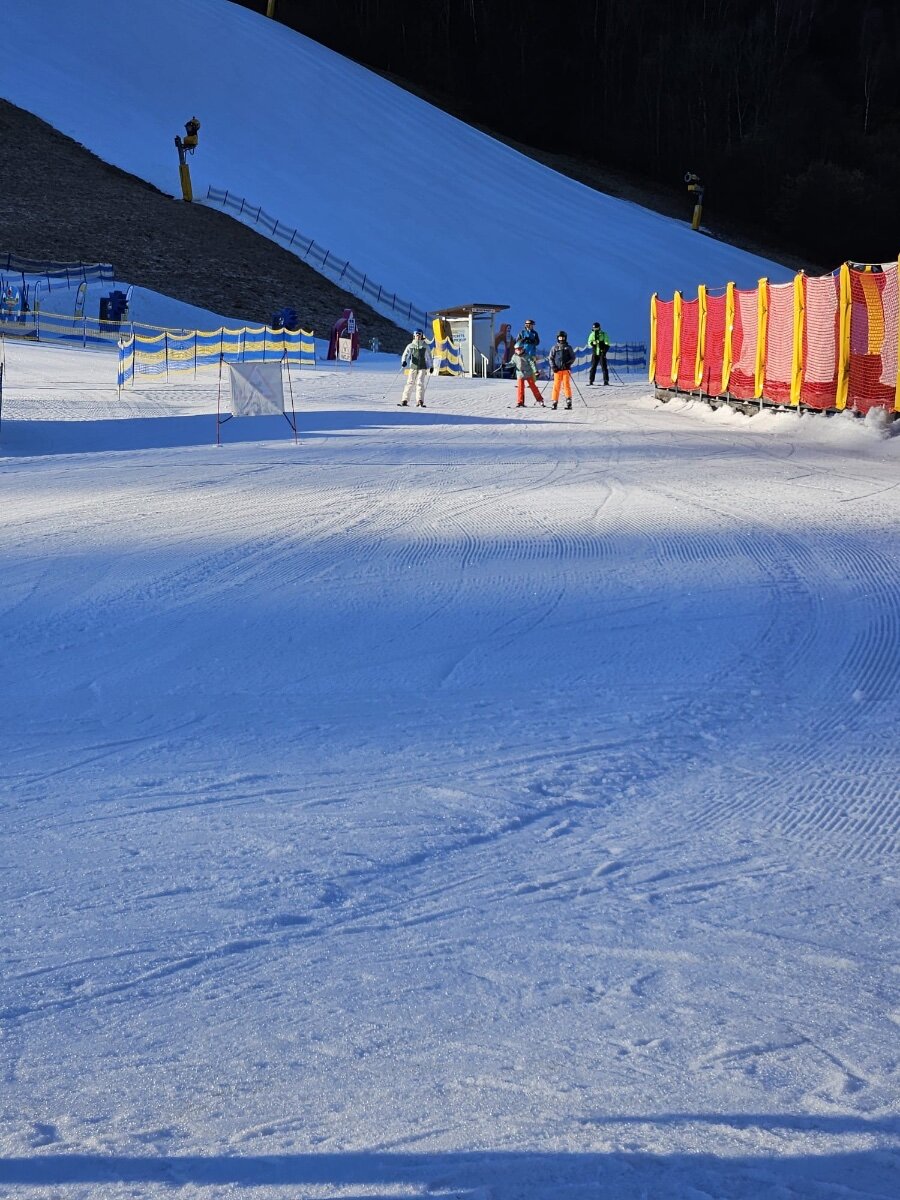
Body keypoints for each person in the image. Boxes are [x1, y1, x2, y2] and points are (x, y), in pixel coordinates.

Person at [398, 329, 433, 407]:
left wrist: (431, 366)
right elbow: (405, 354)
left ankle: (420, 400)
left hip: (422, 367)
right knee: (410, 382)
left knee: (420, 383)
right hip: (413, 366)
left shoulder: (425, 346)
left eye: (419, 335)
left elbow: (429, 357)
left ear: (422, 336)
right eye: (417, 335)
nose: (418, 337)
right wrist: (404, 361)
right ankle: (404, 400)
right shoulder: (411, 345)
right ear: (414, 336)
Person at [509, 341, 544, 407]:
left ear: (522, 349)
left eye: (519, 349)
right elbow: (512, 363)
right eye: (516, 349)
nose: (518, 351)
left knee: (533, 387)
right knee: (520, 388)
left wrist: (535, 371)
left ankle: (540, 400)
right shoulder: (514, 356)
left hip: (528, 373)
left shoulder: (527, 356)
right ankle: (520, 402)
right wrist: (505, 365)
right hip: (520, 374)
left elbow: (532, 364)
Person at [549, 330, 575, 409]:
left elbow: (573, 357)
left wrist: (568, 364)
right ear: (557, 338)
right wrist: (553, 367)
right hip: (557, 370)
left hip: (566, 370)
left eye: (563, 338)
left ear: (565, 338)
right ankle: (555, 401)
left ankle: (568, 400)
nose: (561, 339)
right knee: (556, 385)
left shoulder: (568, 347)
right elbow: (551, 358)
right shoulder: (555, 348)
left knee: (566, 385)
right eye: (560, 338)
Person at [588, 321, 610, 385]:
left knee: (604, 367)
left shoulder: (603, 334)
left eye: (596, 328)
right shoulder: (592, 334)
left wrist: (604, 351)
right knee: (593, 367)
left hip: (601, 353)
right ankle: (591, 380)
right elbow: (589, 342)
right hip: (595, 353)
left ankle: (606, 380)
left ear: (599, 328)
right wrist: (592, 343)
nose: (595, 329)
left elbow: (607, 343)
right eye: (594, 328)